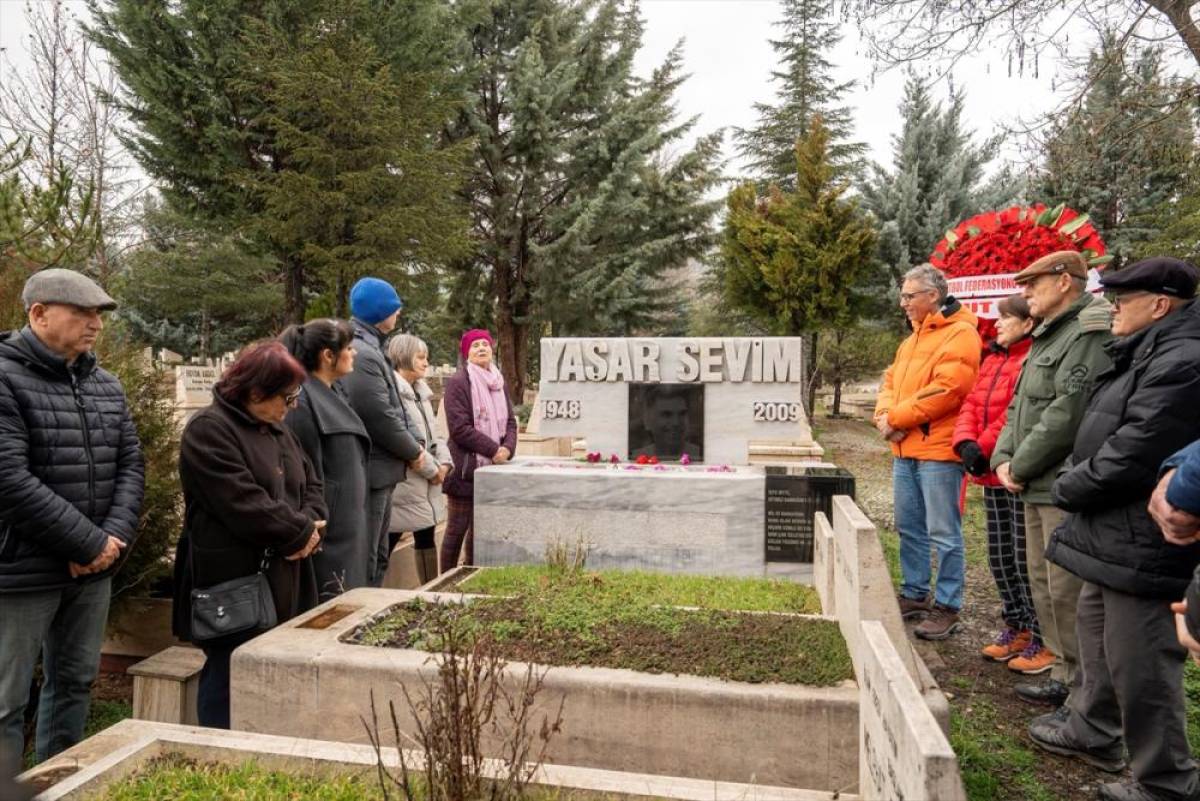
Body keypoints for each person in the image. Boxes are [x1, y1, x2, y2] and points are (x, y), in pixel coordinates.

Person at [1030, 258, 1200, 801]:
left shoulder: (1183, 361)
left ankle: (1166, 779)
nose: (1112, 309)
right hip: (1110, 528)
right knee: (1098, 635)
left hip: (1143, 536)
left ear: (1159, 304)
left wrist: (1069, 486)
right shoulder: (1143, 351)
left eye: (1122, 300)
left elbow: (1137, 448)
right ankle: (1092, 729)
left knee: (1142, 659)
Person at [0, 269, 145, 771]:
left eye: (99, 316)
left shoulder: (105, 384)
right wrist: (88, 544)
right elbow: (8, 480)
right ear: (38, 314)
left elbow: (130, 463)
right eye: (81, 313)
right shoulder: (3, 377)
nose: (94, 325)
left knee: (75, 684)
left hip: (93, 568)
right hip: (20, 571)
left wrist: (112, 539)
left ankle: (59, 779)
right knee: (6, 701)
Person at [172, 341, 327, 729]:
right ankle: (216, 753)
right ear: (256, 392)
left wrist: (311, 523)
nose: (291, 407)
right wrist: (300, 531)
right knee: (229, 672)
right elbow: (241, 501)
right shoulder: (208, 431)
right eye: (286, 398)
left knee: (278, 668)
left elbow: (312, 483)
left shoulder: (277, 429)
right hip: (236, 580)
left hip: (288, 572)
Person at [991, 250, 1113, 708]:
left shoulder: (1086, 333)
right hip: (1030, 481)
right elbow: (1019, 407)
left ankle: (1085, 688)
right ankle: (1061, 672)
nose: (1025, 293)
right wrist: (1003, 457)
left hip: (1057, 482)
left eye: (1033, 283)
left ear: (1065, 281)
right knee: (1042, 581)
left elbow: (1067, 413)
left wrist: (1018, 466)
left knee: (1066, 589)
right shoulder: (1048, 336)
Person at [873, 263, 982, 640]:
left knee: (943, 532)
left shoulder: (961, 335)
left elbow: (949, 389)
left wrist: (897, 416)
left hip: (937, 451)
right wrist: (884, 414)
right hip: (905, 449)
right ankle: (915, 592)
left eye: (909, 296)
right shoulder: (912, 340)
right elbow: (889, 381)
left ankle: (948, 605)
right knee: (909, 527)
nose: (903, 303)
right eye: (903, 296)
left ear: (932, 296)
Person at [952, 295, 1045, 669]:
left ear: (1028, 323)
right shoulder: (992, 359)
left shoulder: (1030, 359)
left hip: (1013, 471)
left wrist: (984, 446)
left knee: (1025, 558)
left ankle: (1040, 634)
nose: (999, 324)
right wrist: (965, 442)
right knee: (1000, 555)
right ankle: (1016, 624)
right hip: (988, 473)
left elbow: (1014, 415)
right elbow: (973, 404)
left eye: (1007, 318)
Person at [340, 277, 425, 587]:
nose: (399, 311)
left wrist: (417, 442)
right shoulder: (363, 351)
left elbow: (394, 407)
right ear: (379, 310)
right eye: (394, 306)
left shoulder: (372, 347)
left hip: (383, 469)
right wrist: (414, 451)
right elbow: (378, 414)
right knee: (370, 558)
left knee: (379, 554)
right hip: (374, 469)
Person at [281, 320, 371, 599]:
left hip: (347, 529)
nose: (354, 353)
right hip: (329, 539)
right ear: (327, 356)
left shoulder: (330, 392)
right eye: (348, 348)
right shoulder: (302, 402)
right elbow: (305, 477)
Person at [440, 329, 518, 572]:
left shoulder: (498, 382)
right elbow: (459, 428)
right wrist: (494, 449)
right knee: (456, 530)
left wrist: (507, 447)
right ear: (466, 353)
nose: (482, 348)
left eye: (485, 343)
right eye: (475, 345)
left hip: (494, 470)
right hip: (466, 470)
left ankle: (471, 574)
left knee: (480, 533)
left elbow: (511, 423)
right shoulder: (459, 383)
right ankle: (445, 581)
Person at [387, 334, 452, 585]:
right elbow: (405, 442)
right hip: (406, 483)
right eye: (420, 357)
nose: (426, 363)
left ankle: (430, 589)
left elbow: (435, 435)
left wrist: (444, 465)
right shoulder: (394, 394)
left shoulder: (421, 394)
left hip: (427, 482)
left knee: (425, 535)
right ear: (402, 357)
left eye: (426, 357)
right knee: (390, 537)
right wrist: (432, 470)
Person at [630, 385, 702, 460]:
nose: (676, 423)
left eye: (682, 414)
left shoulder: (700, 453)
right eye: (666, 415)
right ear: (648, 419)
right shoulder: (636, 457)